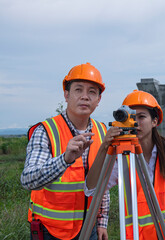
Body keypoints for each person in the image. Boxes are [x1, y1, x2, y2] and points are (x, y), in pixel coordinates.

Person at [85, 90, 165, 240]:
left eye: (141, 117)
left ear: (154, 121)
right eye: (131, 117)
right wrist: (104, 147)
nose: (135, 122)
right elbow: (91, 189)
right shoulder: (123, 159)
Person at [21, 63, 110, 240]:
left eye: (92, 92)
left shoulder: (102, 132)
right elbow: (28, 180)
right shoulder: (45, 130)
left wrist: (101, 221)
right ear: (66, 95)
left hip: (89, 228)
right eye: (78, 90)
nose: (85, 97)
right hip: (50, 231)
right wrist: (64, 159)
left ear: (99, 100)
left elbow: (102, 182)